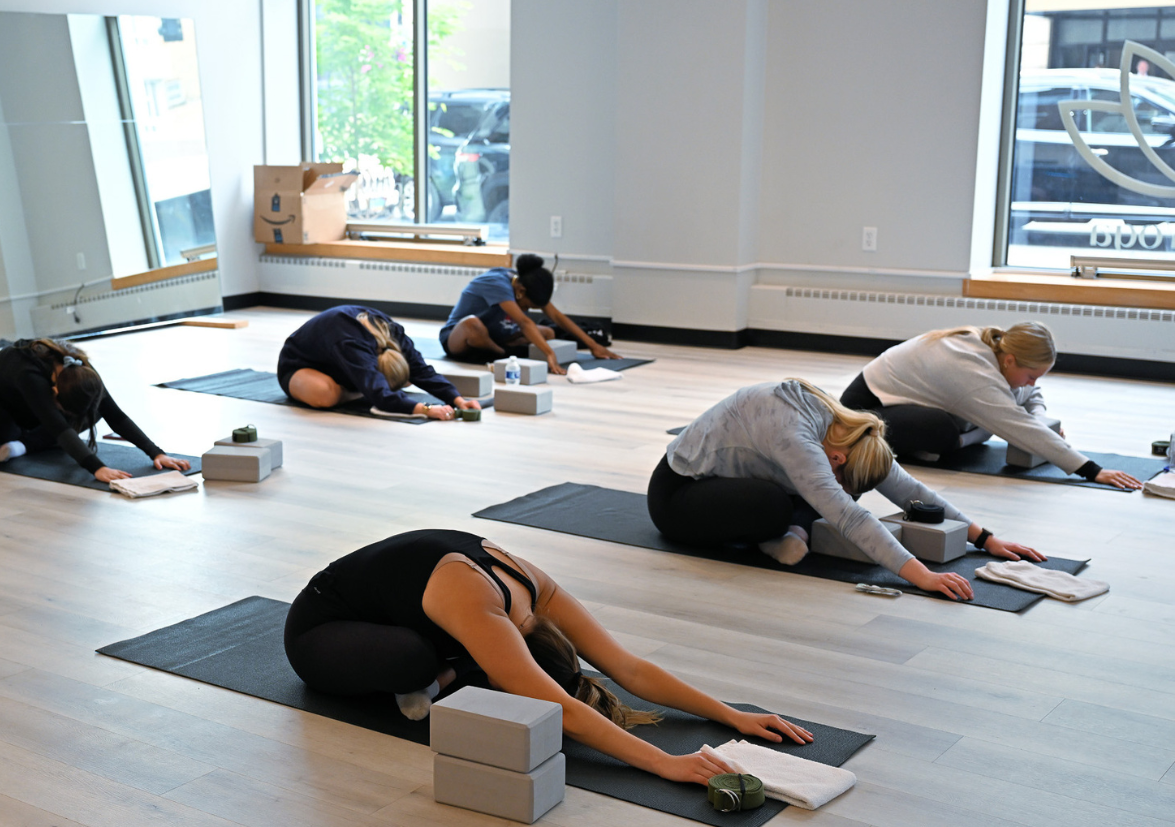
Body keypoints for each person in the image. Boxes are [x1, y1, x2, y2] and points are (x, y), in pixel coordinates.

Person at [285, 529, 814, 786]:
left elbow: (627, 667)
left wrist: (730, 714)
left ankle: (454, 669)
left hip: (408, 609)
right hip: (319, 629)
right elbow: (564, 710)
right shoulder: (478, 603)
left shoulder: (537, 590)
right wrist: (664, 762)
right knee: (411, 660)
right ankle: (443, 672)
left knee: (443, 650)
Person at [650, 379, 1046, 600]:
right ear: (838, 460)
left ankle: (796, 529)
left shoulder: (850, 430)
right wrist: (921, 575)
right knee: (774, 507)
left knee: (838, 492)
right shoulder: (797, 437)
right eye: (840, 475)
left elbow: (907, 488)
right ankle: (785, 528)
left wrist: (984, 538)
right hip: (679, 493)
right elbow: (850, 518)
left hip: (744, 476)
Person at [838, 323, 1141, 490]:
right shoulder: (974, 374)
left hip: (910, 402)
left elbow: (1028, 396)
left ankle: (959, 438)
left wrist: (1042, 420)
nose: (1033, 383)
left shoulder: (997, 351)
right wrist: (1091, 470)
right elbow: (1018, 426)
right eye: (1031, 375)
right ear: (1010, 361)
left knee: (990, 413)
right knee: (944, 430)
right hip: (865, 410)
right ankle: (947, 442)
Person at [0, 337, 187, 481]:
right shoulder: (28, 372)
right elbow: (57, 426)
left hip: (23, 422)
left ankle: (23, 446)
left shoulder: (81, 370)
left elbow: (114, 414)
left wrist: (156, 453)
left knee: (92, 409)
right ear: (54, 390)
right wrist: (97, 468)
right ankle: (21, 442)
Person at [279, 305, 483, 420]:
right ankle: (361, 389)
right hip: (302, 365)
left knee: (407, 378)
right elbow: (381, 398)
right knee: (325, 395)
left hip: (343, 361)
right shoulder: (352, 346)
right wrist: (426, 409)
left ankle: (364, 386)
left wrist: (457, 399)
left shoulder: (394, 333)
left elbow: (421, 371)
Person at [439, 253, 618, 375]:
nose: (526, 309)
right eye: (528, 306)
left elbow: (557, 317)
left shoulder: (527, 282)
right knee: (472, 325)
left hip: (495, 334)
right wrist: (549, 353)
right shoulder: (496, 283)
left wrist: (593, 345)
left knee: (547, 332)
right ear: (521, 291)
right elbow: (524, 322)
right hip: (459, 338)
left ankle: (500, 349)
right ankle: (501, 352)